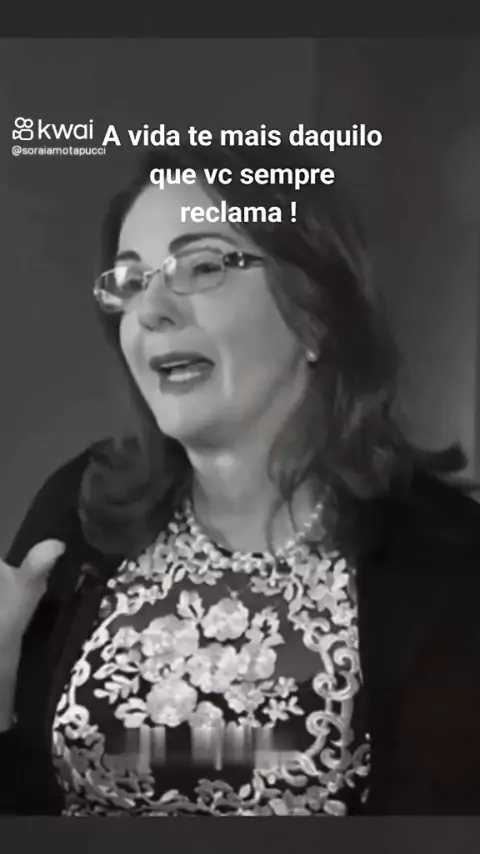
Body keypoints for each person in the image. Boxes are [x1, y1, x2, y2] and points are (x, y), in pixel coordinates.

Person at [2, 140, 480, 818]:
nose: (151, 309)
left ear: (314, 310)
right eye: (131, 281)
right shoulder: (78, 506)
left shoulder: (450, 559)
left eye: (201, 266)